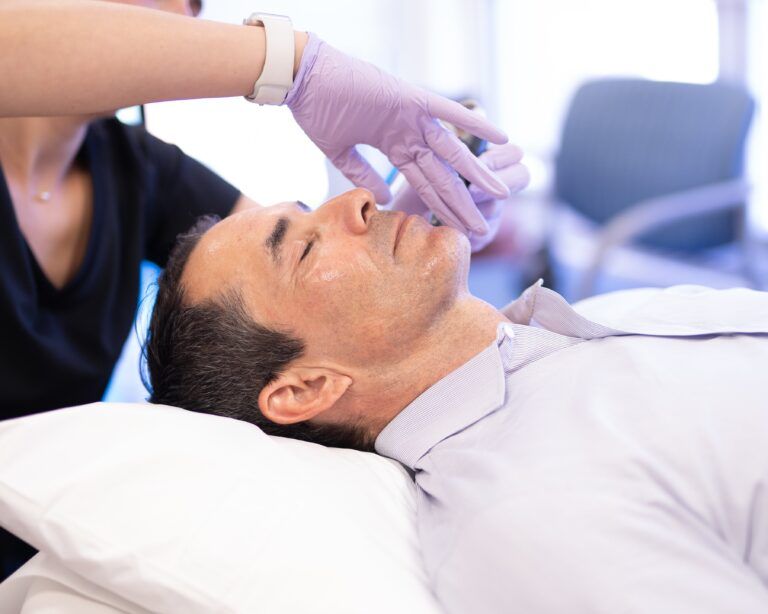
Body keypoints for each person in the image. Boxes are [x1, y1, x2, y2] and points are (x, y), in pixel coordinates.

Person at [0, 0, 525, 577]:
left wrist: (411, 234)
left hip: (48, 530)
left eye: (195, 3)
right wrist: (295, 64)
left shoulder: (136, 170)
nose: (181, 13)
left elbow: (281, 282)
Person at [146, 189, 768, 613]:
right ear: (307, 387)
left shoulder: (604, 315)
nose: (356, 199)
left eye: (312, 206)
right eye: (305, 247)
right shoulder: (524, 516)